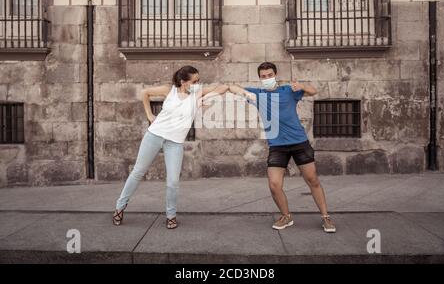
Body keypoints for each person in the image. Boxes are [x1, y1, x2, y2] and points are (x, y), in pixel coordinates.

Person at [113, 65, 228, 229]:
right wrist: (149, 114)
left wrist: (213, 94)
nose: (198, 83)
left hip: (175, 143)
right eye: (195, 81)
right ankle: (119, 208)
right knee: (138, 172)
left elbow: (221, 88)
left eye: (198, 80)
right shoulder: (169, 90)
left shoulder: (197, 93)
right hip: (154, 135)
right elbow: (145, 93)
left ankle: (171, 215)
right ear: (183, 81)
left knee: (173, 181)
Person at [229, 62, 336, 233]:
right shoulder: (258, 94)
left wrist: (301, 86)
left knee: (312, 180)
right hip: (277, 146)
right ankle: (286, 216)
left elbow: (313, 91)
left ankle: (326, 217)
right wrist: (241, 91)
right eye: (263, 76)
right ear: (260, 78)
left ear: (275, 75)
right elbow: (233, 88)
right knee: (274, 184)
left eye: (269, 75)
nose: (267, 78)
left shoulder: (288, 91)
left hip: (299, 142)